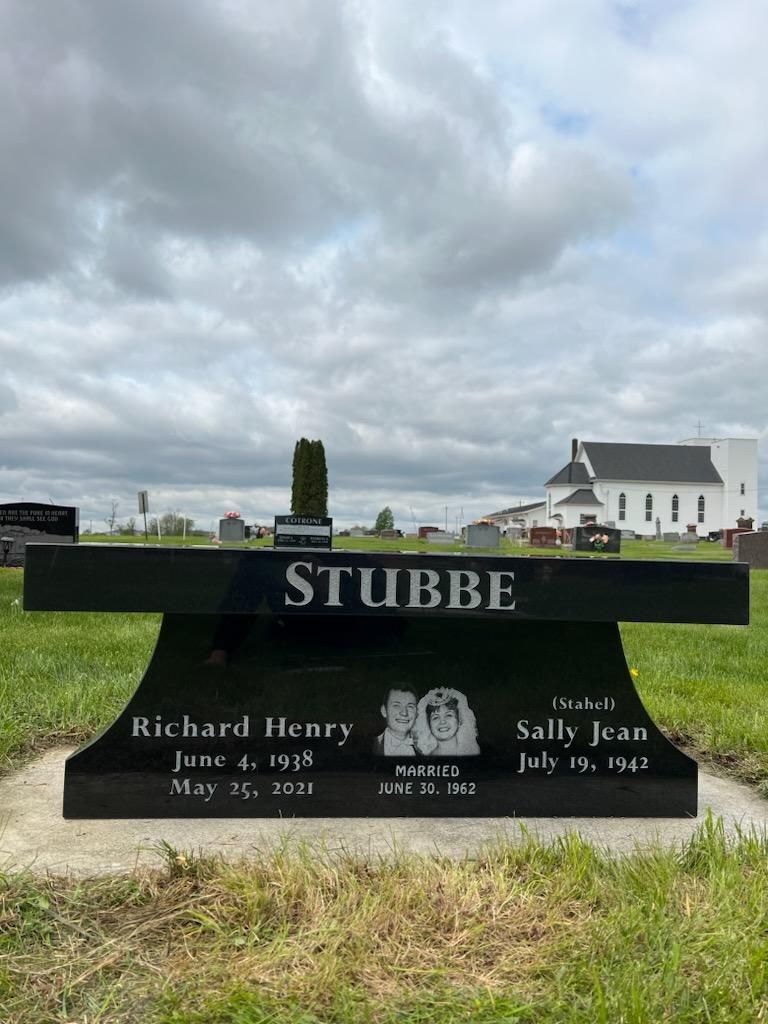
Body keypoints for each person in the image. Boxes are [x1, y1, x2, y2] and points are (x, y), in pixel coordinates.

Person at [413, 687, 480, 756]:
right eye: (435, 717)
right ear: (428, 724)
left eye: (448, 715)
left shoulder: (472, 752)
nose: (442, 721)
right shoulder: (428, 759)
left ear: (459, 720)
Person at [372, 686, 418, 756]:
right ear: (384, 711)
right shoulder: (368, 746)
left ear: (417, 713)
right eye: (396, 706)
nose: (404, 713)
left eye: (410, 706)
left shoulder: (426, 748)